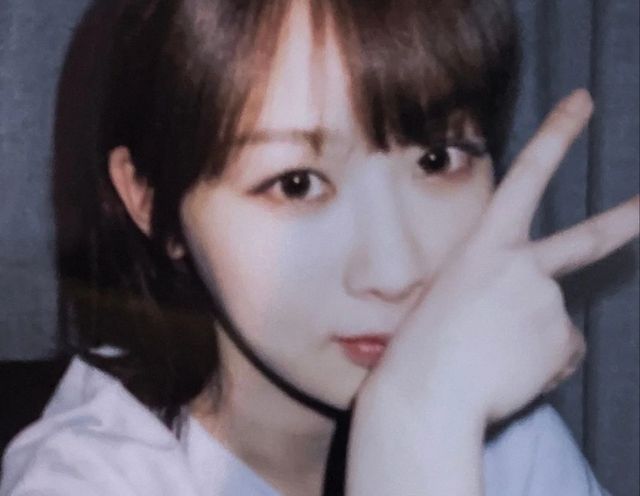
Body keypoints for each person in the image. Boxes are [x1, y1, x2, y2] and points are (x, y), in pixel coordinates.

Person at [1, 0, 638, 494]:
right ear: (149, 203)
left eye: (437, 159)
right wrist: (414, 440)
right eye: (296, 183)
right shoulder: (82, 480)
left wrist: (432, 417)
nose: (395, 273)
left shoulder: (496, 429)